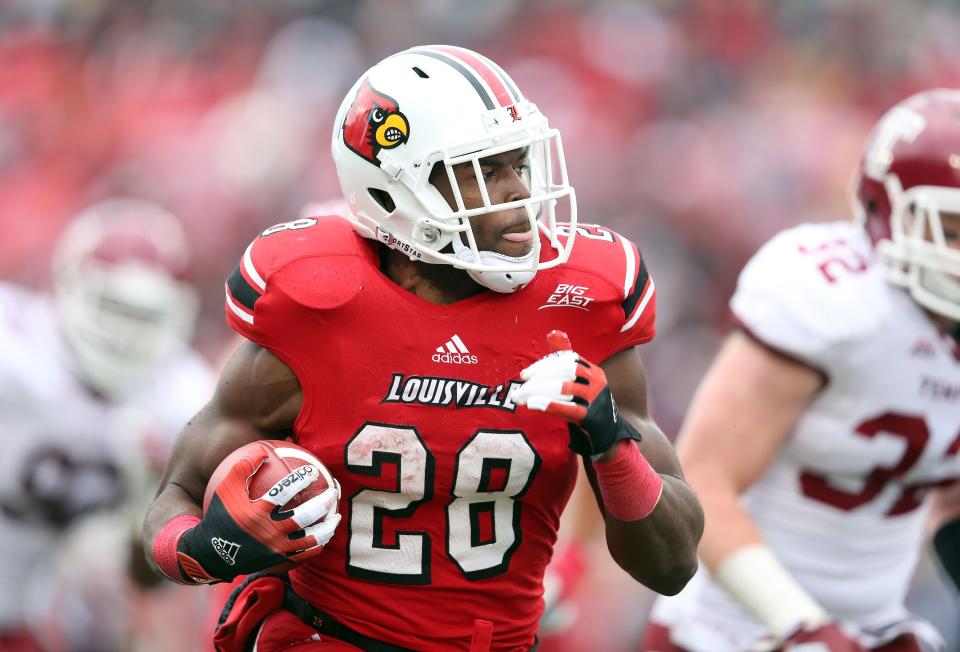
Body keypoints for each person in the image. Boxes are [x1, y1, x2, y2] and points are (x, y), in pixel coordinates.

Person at [143, 44, 704, 652]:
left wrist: (612, 445)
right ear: (395, 190)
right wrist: (203, 549)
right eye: (486, 170)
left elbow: (673, 566)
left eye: (519, 162)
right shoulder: (315, 305)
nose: (519, 193)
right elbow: (175, 496)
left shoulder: (583, 304)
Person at [644, 89, 960, 652]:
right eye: (953, 228)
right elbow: (703, 480)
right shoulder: (837, 301)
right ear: (886, 211)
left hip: (879, 629)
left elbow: (950, 502)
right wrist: (801, 626)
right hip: (734, 631)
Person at [0, 198, 214, 650]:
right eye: (111, 307)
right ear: (66, 284)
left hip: (42, 621)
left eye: (144, 315)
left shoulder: (185, 401)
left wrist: (144, 517)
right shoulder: (14, 350)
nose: (123, 332)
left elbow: (155, 577)